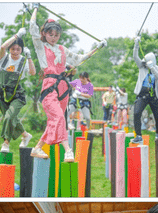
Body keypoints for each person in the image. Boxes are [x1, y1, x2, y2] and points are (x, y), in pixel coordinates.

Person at [28, 8, 106, 162]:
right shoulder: (40, 46)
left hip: (63, 88)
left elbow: (78, 59)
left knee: (55, 120)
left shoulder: (62, 49)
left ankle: (37, 147)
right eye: (50, 34)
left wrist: (97, 48)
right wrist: (35, 9)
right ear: (44, 33)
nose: (53, 37)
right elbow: (33, 27)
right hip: (49, 86)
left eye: (56, 35)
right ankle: (68, 150)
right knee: (59, 118)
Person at [0, 29, 36, 154]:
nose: (15, 52)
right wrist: (17, 36)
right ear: (9, 49)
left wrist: (29, 57)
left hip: (17, 95)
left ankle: (6, 142)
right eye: (13, 49)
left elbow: (33, 72)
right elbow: (3, 46)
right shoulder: (3, 58)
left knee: (9, 117)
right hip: (2, 94)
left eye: (18, 49)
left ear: (21, 50)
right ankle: (25, 135)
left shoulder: (23, 61)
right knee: (12, 118)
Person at [132, 38, 158, 143]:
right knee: (136, 113)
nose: (145, 63)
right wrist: (136, 45)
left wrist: (152, 68)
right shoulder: (142, 66)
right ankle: (138, 135)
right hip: (143, 94)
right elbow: (135, 57)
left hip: (154, 95)